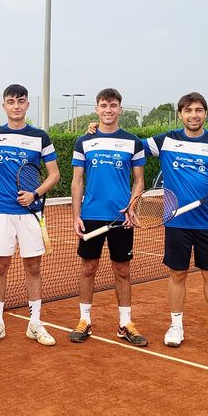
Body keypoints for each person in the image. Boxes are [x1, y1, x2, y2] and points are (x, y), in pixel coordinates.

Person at [144, 92, 208, 350]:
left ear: (205, 113)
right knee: (177, 274)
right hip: (176, 222)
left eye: (198, 110)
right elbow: (131, 146)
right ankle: (176, 327)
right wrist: (97, 130)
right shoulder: (166, 140)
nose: (194, 115)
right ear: (180, 114)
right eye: (188, 110)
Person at [0, 84, 60, 346]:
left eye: (21, 101)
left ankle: (35, 323)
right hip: (1, 212)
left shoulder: (40, 137)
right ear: (4, 105)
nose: (16, 105)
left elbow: (54, 174)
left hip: (30, 213)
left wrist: (34, 194)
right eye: (11, 101)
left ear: (27, 105)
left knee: (33, 267)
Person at [71, 88, 148, 346]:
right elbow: (76, 181)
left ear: (120, 109)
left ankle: (125, 324)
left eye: (113, 105)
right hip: (91, 216)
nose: (108, 110)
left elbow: (139, 181)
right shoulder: (83, 142)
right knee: (88, 268)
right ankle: (84, 321)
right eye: (104, 105)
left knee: (122, 270)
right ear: (97, 108)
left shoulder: (133, 142)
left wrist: (132, 207)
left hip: (121, 218)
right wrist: (76, 215)